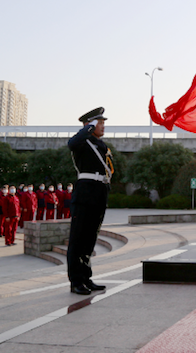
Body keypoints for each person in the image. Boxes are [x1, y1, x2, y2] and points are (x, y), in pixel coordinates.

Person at [66, 107, 113, 295]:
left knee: (90, 239)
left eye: (102, 123)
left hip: (99, 193)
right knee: (78, 239)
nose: (103, 126)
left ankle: (86, 277)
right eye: (99, 123)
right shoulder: (82, 141)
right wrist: (87, 128)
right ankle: (76, 281)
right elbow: (71, 143)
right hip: (85, 193)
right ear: (90, 124)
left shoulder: (100, 145)